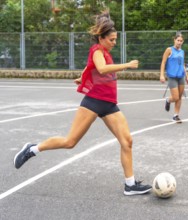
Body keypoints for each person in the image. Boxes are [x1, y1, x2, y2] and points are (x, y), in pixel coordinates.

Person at [13, 10, 152, 196]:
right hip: (93, 101)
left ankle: (130, 184)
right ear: (101, 38)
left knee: (127, 141)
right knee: (70, 142)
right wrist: (126, 65)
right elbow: (101, 68)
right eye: (111, 39)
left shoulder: (104, 52)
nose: (114, 42)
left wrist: (82, 77)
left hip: (109, 103)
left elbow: (91, 67)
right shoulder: (97, 50)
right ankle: (33, 148)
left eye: (115, 39)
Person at [160, 33, 188, 123]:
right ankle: (168, 100)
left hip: (181, 76)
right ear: (174, 40)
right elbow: (163, 62)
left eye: (181, 41)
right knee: (175, 97)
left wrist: (187, 77)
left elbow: (183, 65)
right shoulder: (169, 50)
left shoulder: (182, 52)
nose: (179, 42)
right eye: (178, 40)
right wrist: (161, 75)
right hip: (172, 77)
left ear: (183, 42)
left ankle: (176, 115)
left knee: (180, 97)